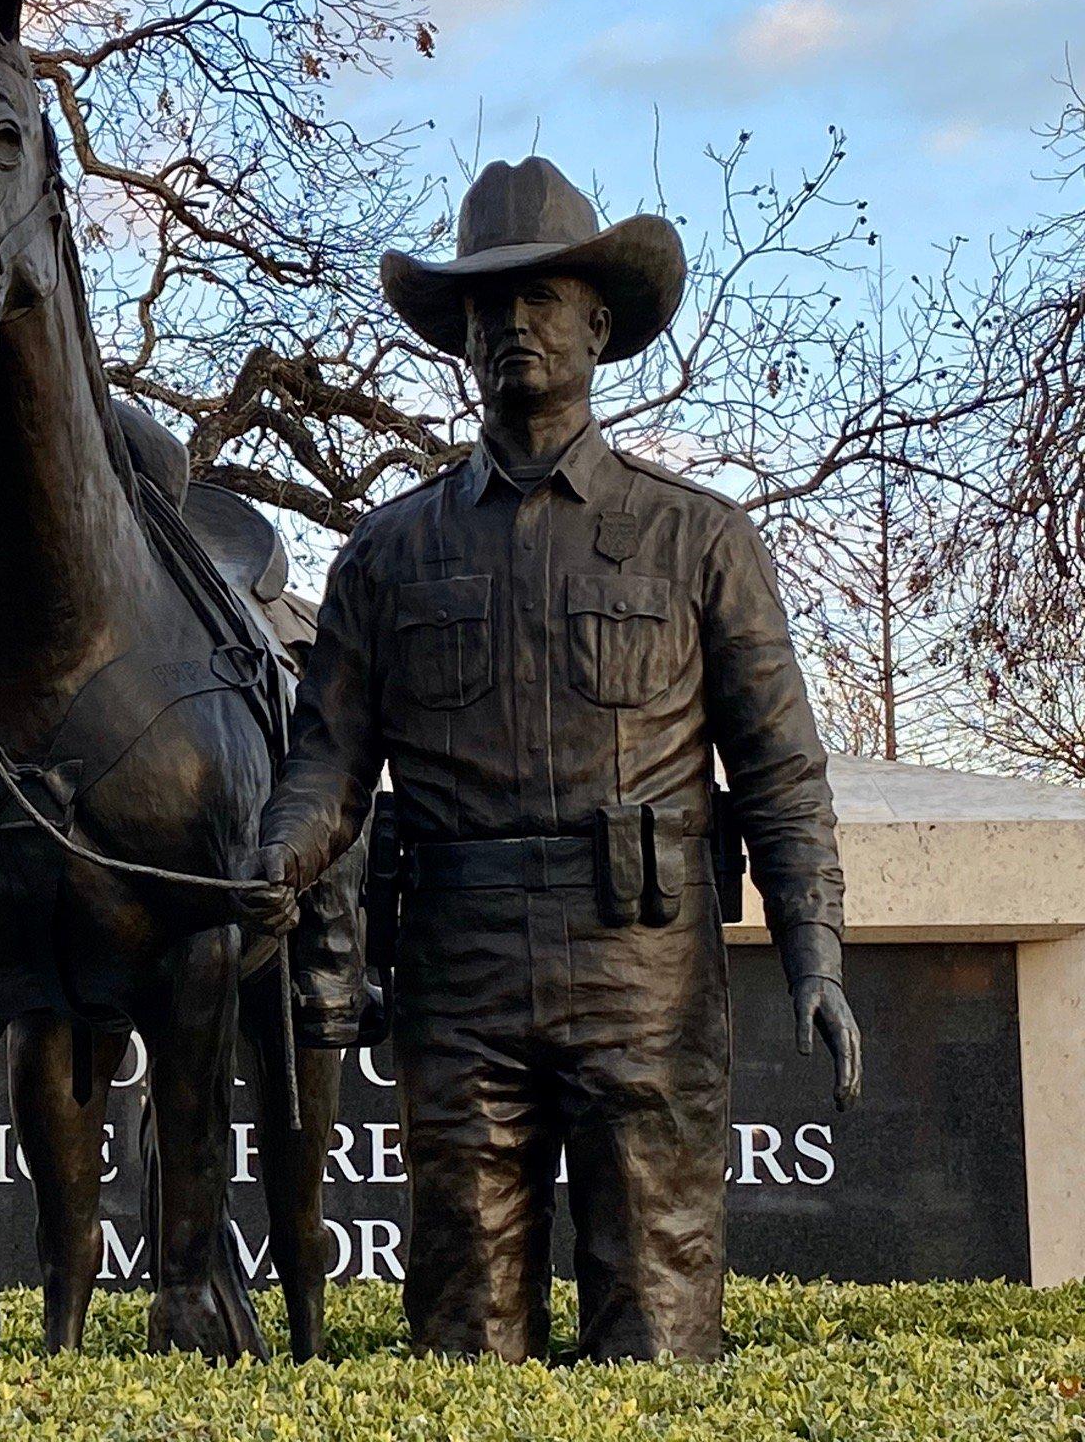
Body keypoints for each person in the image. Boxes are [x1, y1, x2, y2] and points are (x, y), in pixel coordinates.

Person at [234, 155, 861, 1362]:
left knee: (659, 1325)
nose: (511, 323)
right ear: (460, 341)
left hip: (645, 971)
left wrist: (813, 954)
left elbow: (781, 774)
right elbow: (326, 767)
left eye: (540, 298)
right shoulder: (384, 557)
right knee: (464, 1334)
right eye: (486, 306)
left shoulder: (698, 541)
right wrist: (276, 858)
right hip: (455, 974)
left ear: (598, 323)